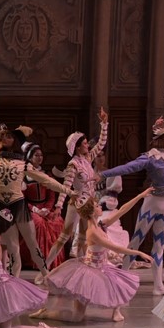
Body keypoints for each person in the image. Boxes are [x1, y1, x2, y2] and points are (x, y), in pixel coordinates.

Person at [99, 93, 164, 295]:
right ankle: (122, 278)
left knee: (159, 246)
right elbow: (127, 167)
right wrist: (103, 174)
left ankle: (158, 285)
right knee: (136, 240)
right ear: (163, 138)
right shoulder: (149, 158)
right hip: (151, 204)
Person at [0, 100, 73, 280]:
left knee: (32, 244)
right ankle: (14, 282)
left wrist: (68, 191)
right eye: (7, 136)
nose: (10, 138)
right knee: (13, 248)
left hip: (19, 205)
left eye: (11, 136)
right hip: (2, 206)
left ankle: (46, 276)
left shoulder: (22, 162)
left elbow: (46, 180)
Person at [34, 192, 154, 323]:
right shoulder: (92, 233)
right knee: (77, 317)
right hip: (88, 273)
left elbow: (122, 210)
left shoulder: (101, 225)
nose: (100, 206)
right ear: (92, 212)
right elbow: (116, 248)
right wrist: (139, 253)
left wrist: (140, 196)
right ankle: (45, 314)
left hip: (102, 267)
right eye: (97, 206)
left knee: (118, 282)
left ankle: (116, 311)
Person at [44, 108, 108, 268]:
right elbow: (66, 187)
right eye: (85, 144)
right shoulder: (73, 164)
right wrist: (59, 206)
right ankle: (44, 268)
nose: (88, 146)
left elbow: (101, 143)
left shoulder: (88, 158)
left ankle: (82, 268)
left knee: (84, 237)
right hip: (77, 203)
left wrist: (104, 123)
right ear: (78, 147)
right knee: (64, 236)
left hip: (89, 203)